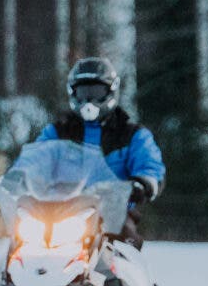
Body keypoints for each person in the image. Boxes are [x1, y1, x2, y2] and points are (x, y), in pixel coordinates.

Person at [35, 56, 166, 243]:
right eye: (83, 93)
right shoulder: (57, 132)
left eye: (96, 93)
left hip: (113, 217)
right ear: (72, 93)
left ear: (111, 92)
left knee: (123, 246)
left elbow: (151, 167)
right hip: (58, 213)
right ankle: (4, 273)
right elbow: (35, 159)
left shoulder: (132, 135)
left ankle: (124, 272)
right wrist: (23, 178)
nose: (89, 101)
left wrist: (142, 184)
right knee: (20, 245)